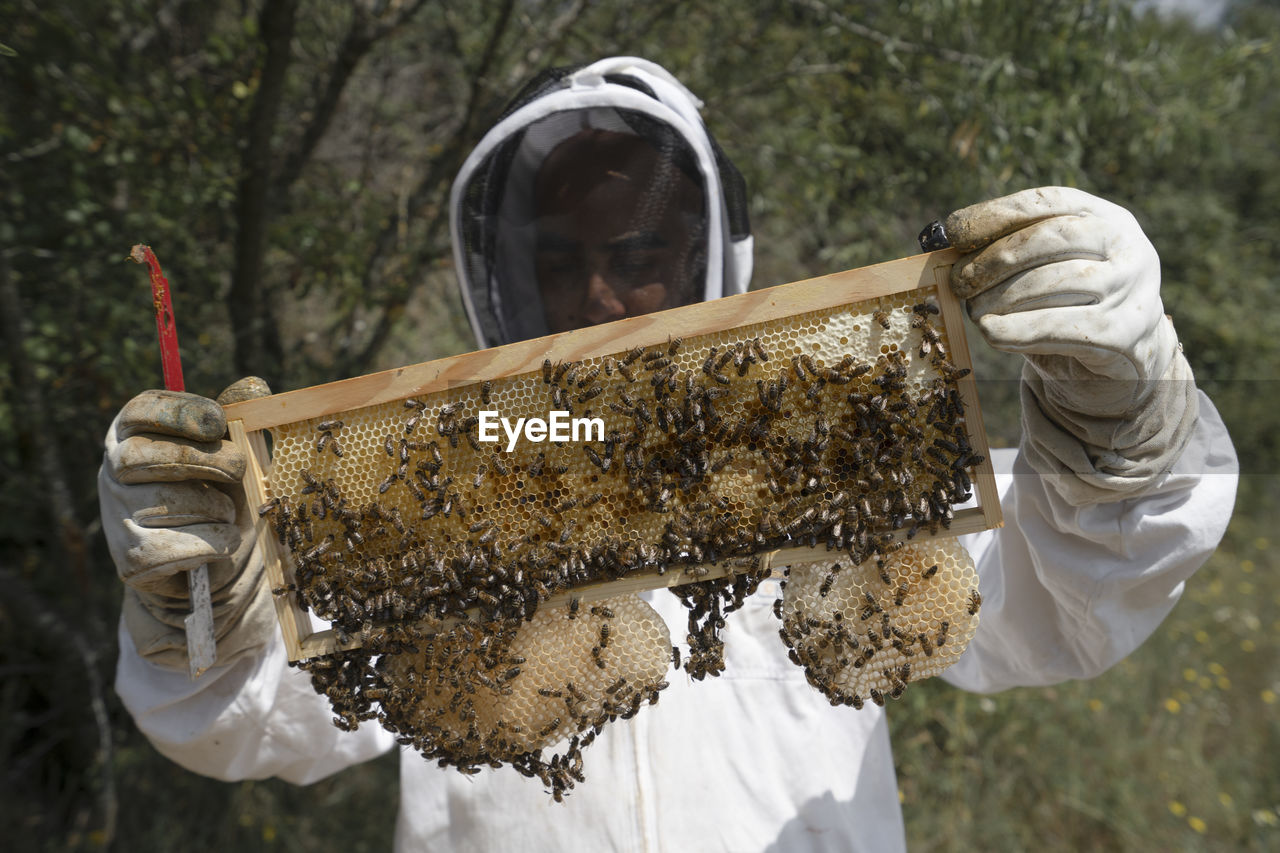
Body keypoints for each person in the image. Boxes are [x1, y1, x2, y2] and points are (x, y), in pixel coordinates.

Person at [102, 57, 1238, 851]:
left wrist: (1118, 409)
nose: (597, 295)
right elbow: (243, 722)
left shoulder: (825, 457)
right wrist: (196, 599)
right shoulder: (419, 501)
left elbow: (1068, 594)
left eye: (639, 249)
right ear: (499, 270)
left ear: (708, 249)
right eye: (559, 258)